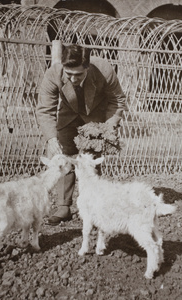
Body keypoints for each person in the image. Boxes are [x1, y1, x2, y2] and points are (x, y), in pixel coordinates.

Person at [36, 44, 126, 225]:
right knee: (63, 156)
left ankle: (95, 204)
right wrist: (52, 138)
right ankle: (63, 206)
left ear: (87, 67)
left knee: (91, 160)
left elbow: (117, 100)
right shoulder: (53, 74)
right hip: (68, 115)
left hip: (95, 116)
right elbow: (45, 109)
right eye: (69, 74)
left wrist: (108, 128)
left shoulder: (104, 70)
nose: (73, 78)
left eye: (78, 74)